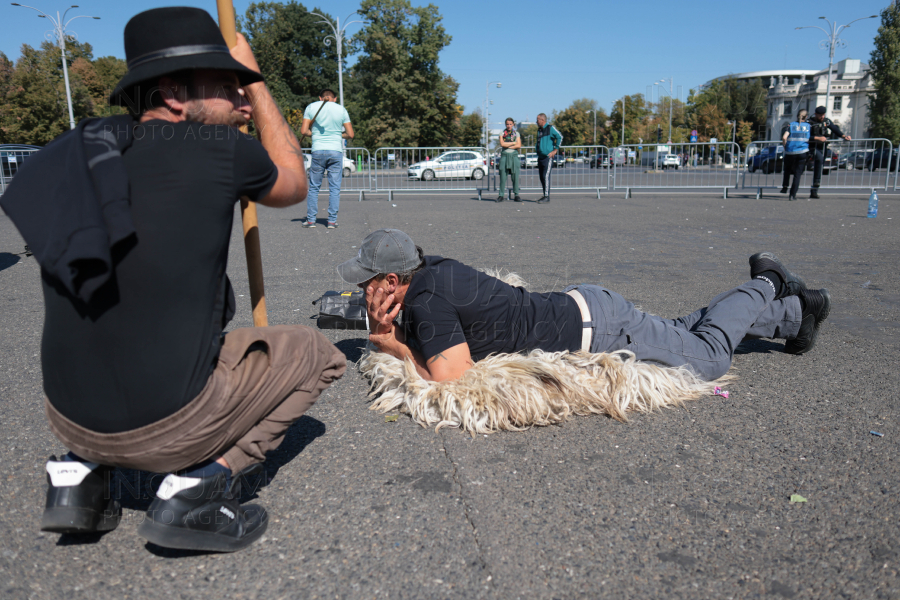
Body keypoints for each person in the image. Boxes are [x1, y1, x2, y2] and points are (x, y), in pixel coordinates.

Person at [0, 7, 346, 553]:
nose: (239, 100)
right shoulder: (216, 149)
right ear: (173, 93)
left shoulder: (79, 151)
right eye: (228, 86)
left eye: (242, 90)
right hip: (165, 430)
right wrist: (258, 85)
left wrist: (236, 81)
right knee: (314, 351)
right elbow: (294, 184)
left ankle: (80, 482)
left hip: (67, 418)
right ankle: (196, 489)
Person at [337, 229, 831, 384]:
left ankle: (769, 279)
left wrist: (390, 343)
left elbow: (451, 376)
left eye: (367, 282)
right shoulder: (431, 269)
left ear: (395, 280)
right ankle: (794, 318)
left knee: (707, 356)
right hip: (588, 310)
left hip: (601, 329)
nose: (362, 291)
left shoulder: (425, 301)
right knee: (681, 329)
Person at [299, 89, 353, 228]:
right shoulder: (341, 109)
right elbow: (350, 134)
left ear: (320, 98)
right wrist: (336, 135)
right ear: (334, 98)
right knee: (335, 188)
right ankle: (332, 221)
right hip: (335, 151)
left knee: (314, 188)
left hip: (317, 150)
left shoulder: (311, 107)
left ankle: (311, 220)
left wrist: (316, 134)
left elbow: (304, 131)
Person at [808, 105, 850, 199]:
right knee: (818, 161)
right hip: (812, 147)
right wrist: (817, 138)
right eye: (820, 115)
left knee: (820, 166)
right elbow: (805, 136)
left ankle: (815, 189)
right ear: (815, 114)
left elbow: (835, 129)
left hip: (823, 147)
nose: (822, 117)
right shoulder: (809, 122)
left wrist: (844, 136)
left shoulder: (826, 121)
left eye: (823, 115)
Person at [780, 109, 810, 201]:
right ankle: (792, 195)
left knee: (787, 170)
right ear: (806, 116)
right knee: (797, 174)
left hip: (790, 151)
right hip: (802, 152)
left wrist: (785, 146)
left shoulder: (791, 125)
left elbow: (784, 137)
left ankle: (785, 186)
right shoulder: (808, 126)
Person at [534, 113, 562, 204]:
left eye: (537, 119)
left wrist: (555, 149)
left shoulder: (550, 128)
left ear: (542, 120)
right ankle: (544, 194)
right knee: (542, 177)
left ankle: (547, 196)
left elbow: (560, 137)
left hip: (548, 157)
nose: (536, 121)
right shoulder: (540, 130)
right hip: (540, 157)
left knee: (545, 176)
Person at [497, 117, 522, 202]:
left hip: (514, 156)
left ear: (513, 124)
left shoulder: (516, 133)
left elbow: (519, 145)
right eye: (507, 124)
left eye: (510, 124)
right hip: (504, 156)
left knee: (515, 176)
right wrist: (513, 143)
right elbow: (502, 144)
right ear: (505, 124)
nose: (509, 126)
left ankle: (516, 195)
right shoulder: (502, 133)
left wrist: (508, 144)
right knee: (503, 176)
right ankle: (501, 195)